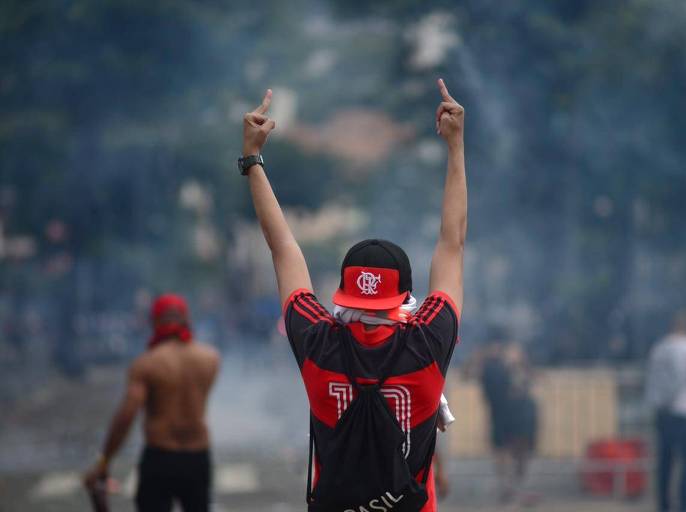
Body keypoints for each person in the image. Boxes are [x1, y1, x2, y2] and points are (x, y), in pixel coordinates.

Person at [240, 78, 466, 511]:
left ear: (343, 295)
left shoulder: (318, 342)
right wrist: (455, 147)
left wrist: (253, 159)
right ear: (404, 297)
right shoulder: (427, 343)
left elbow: (283, 248)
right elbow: (451, 244)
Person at [83, 294, 220, 512]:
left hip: (160, 457)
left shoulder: (146, 365)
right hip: (197, 457)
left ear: (154, 322)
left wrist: (104, 461)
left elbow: (126, 417)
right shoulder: (210, 359)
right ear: (186, 319)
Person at [646, 311, 686, 512]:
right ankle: (685, 507)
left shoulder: (659, 348)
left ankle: (664, 507)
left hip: (662, 412)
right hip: (685, 410)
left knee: (665, 464)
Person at [469, 340, 537, 503]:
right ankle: (507, 488)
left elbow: (529, 379)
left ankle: (517, 487)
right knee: (502, 451)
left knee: (520, 451)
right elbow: (469, 374)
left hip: (518, 413)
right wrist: (477, 358)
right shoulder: (489, 366)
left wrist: (519, 362)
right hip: (499, 414)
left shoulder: (514, 362)